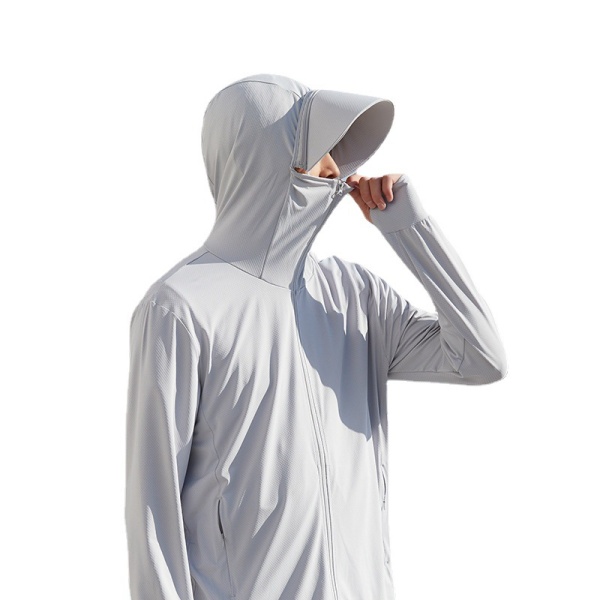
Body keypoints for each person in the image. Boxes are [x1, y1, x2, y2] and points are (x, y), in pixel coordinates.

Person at [125, 73, 508, 600]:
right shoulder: (181, 307)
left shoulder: (355, 296)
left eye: (335, 153)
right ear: (257, 156)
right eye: (315, 151)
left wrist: (411, 230)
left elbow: (481, 357)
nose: (334, 169)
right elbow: (153, 511)